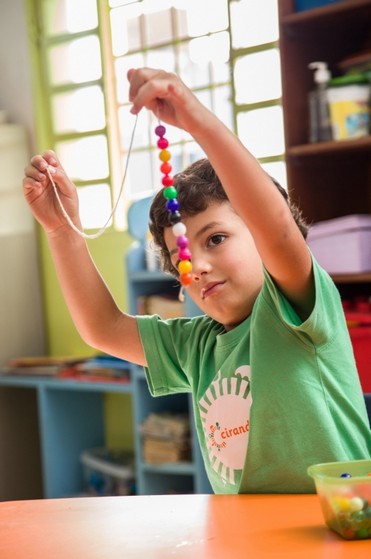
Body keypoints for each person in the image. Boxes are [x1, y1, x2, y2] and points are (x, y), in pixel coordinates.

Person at [23, 68, 371, 494]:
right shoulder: (196, 346)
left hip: (338, 533)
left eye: (217, 239)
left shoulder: (295, 308)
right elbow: (103, 327)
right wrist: (62, 231)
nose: (198, 266)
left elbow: (276, 226)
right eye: (182, 257)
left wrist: (195, 119)